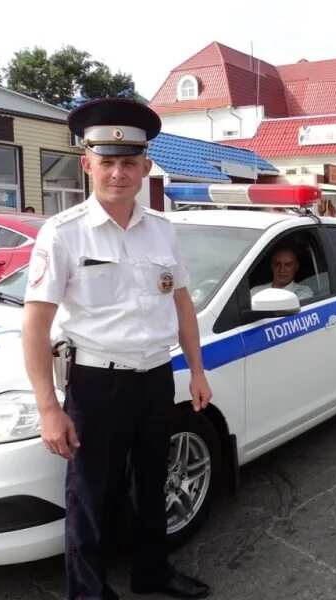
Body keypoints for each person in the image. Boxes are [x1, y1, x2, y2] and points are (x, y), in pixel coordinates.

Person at [21, 98, 212, 600]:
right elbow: (35, 324)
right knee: (90, 497)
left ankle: (153, 572)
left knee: (152, 484)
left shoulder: (163, 231)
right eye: (107, 162)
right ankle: (88, 593)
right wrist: (48, 407)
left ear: (146, 166)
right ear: (88, 164)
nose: (119, 173)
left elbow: (184, 306)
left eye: (130, 163)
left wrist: (196, 370)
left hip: (154, 376)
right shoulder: (62, 234)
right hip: (96, 383)